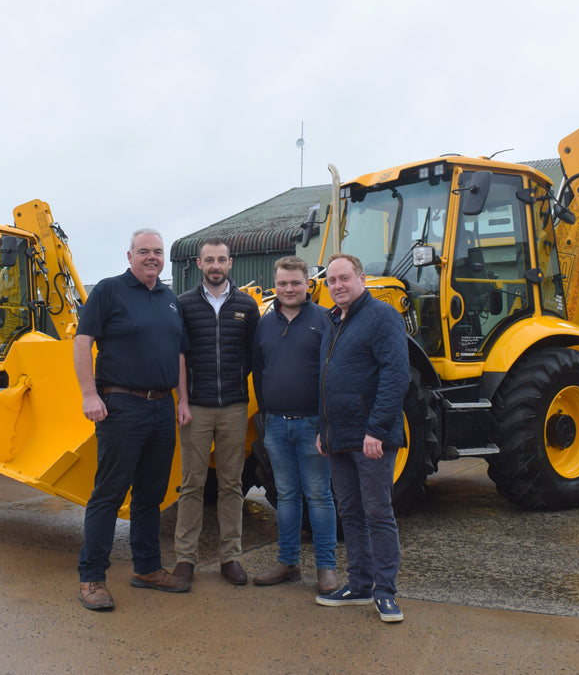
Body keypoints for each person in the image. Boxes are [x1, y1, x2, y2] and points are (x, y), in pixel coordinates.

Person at [74, 228, 193, 611]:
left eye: (157, 251)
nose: (152, 257)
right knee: (109, 494)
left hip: (161, 408)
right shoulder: (109, 291)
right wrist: (89, 394)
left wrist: (182, 400)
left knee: (150, 495)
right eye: (144, 251)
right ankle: (92, 577)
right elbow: (83, 341)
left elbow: (178, 354)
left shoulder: (169, 299)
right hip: (122, 405)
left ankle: (147, 569)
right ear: (130, 256)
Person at [314, 253, 410, 624]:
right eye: (331, 281)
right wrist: (324, 431)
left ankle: (385, 592)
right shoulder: (333, 321)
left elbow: (395, 375)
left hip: (370, 438)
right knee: (350, 513)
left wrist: (377, 430)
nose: (337, 286)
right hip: (339, 437)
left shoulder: (382, 316)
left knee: (378, 513)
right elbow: (327, 381)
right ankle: (360, 584)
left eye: (344, 278)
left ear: (362, 279)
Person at [172, 239, 260, 586]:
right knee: (192, 484)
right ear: (199, 264)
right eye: (209, 260)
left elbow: (252, 354)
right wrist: (182, 400)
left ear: (230, 263)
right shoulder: (184, 305)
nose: (215, 265)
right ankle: (185, 559)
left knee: (231, 485)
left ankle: (231, 557)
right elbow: (178, 355)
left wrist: (237, 383)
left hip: (234, 408)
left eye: (221, 259)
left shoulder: (246, 306)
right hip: (195, 408)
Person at [251, 256, 338, 594]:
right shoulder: (264, 324)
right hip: (276, 424)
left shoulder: (324, 320)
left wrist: (325, 422)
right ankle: (288, 562)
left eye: (295, 283)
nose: (289, 289)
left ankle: (326, 568)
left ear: (307, 284)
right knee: (286, 496)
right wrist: (267, 412)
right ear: (275, 285)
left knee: (318, 495)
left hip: (312, 424)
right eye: (282, 284)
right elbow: (259, 370)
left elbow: (332, 374)